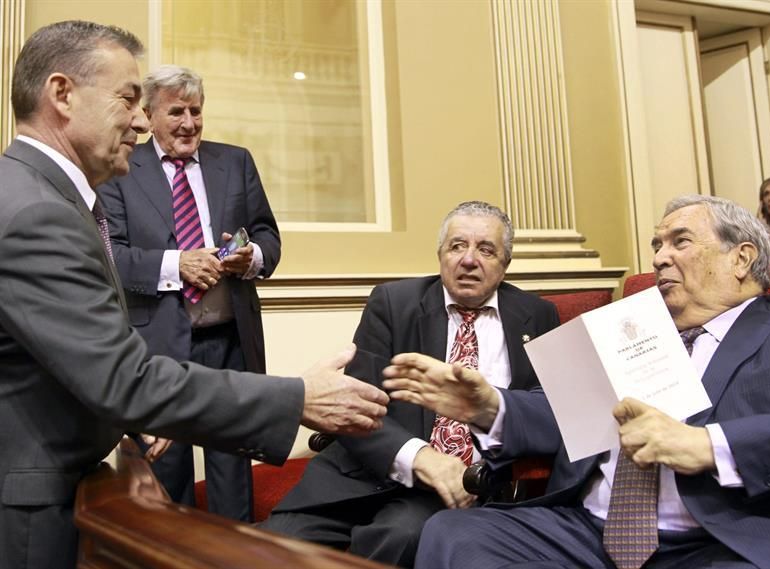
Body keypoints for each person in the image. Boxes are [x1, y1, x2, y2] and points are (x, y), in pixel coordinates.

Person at [0, 20, 388, 569]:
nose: (142, 119)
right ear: (62, 94)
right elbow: (121, 378)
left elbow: (65, 355)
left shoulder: (37, 192)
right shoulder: (39, 212)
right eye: (130, 99)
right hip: (30, 514)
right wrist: (299, 398)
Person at [385, 195, 770, 569]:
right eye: (657, 245)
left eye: (680, 242)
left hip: (721, 538)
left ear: (741, 258)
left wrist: (709, 445)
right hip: (588, 531)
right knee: (453, 533)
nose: (659, 259)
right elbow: (565, 409)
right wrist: (491, 406)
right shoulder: (631, 328)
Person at [263, 201, 560, 567]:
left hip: (448, 488)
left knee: (399, 536)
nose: (468, 260)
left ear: (505, 265)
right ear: (440, 254)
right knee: (275, 544)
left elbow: (545, 408)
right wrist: (421, 458)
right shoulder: (393, 303)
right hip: (365, 470)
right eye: (457, 246)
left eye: (486, 249)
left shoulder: (537, 316)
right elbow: (355, 402)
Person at [97, 65, 280, 522]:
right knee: (167, 472)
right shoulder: (121, 167)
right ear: (149, 115)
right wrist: (175, 263)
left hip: (229, 342)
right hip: (160, 347)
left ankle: (234, 553)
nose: (188, 123)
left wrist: (251, 255)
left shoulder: (234, 161)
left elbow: (267, 237)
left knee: (231, 468)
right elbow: (111, 256)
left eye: (196, 111)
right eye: (176, 111)